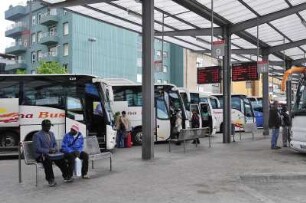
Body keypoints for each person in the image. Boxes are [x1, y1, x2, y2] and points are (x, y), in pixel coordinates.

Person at [32, 119, 69, 187]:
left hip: (52, 154)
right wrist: (48, 150)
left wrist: (54, 149)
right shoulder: (37, 135)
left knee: (61, 159)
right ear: (42, 126)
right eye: (47, 126)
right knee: (47, 161)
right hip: (41, 155)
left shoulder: (51, 133)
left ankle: (66, 176)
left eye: (49, 126)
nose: (48, 127)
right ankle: (50, 180)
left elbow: (55, 144)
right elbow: (37, 148)